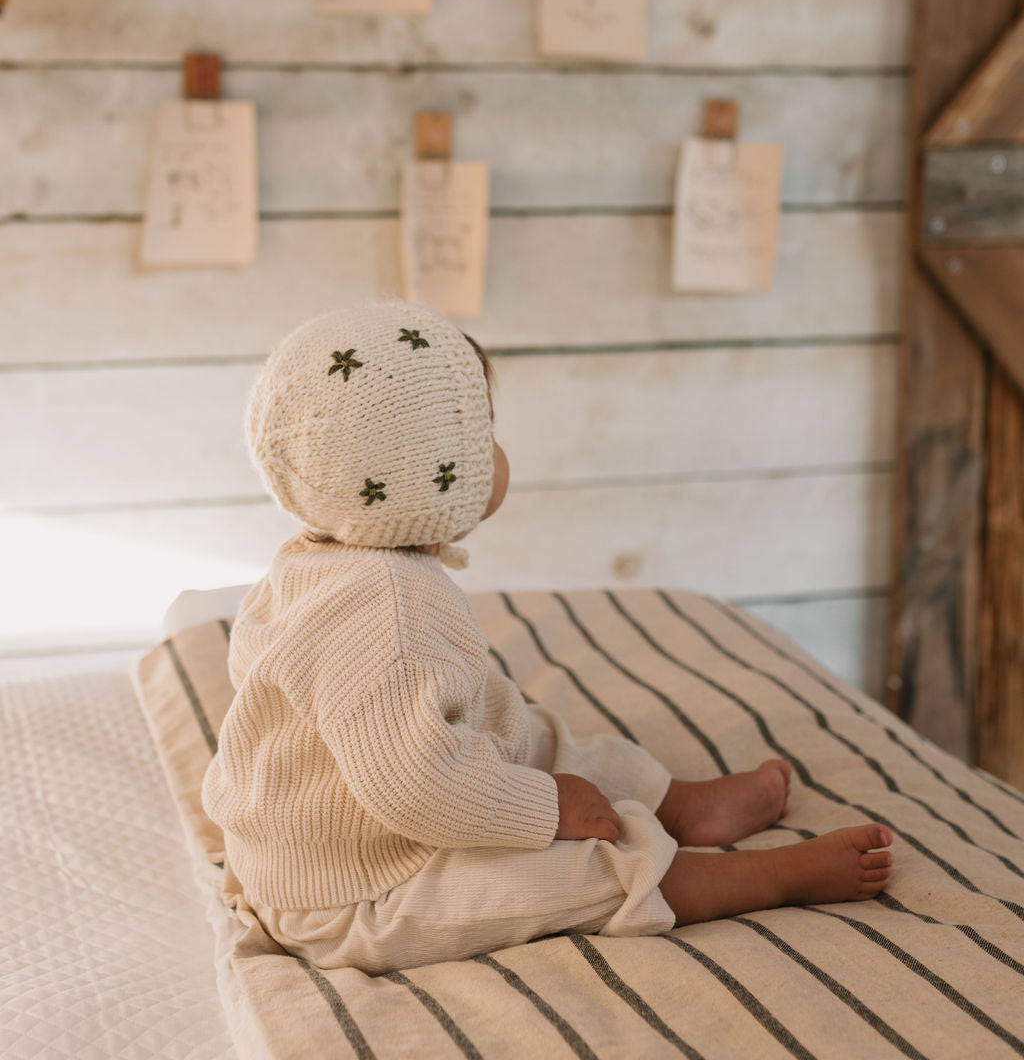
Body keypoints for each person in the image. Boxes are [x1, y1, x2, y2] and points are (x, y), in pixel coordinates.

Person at [201, 298, 893, 976]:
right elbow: (412, 788)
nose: (499, 453)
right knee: (575, 871)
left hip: (364, 817)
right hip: (354, 890)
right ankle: (763, 877)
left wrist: (532, 772)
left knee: (528, 732)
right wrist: (546, 807)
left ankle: (681, 805)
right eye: (482, 436)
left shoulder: (316, 560)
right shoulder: (386, 608)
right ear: (426, 475)